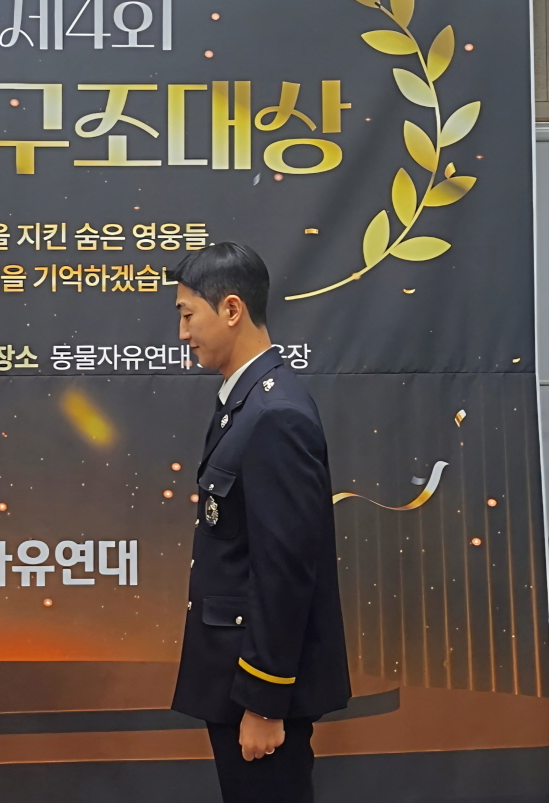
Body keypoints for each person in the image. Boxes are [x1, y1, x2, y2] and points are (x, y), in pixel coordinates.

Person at [169, 243, 350, 803]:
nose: (182, 333)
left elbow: (285, 571)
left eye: (187, 314)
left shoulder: (275, 414)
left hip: (259, 692)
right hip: (237, 682)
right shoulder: (245, 403)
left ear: (231, 309)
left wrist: (265, 702)